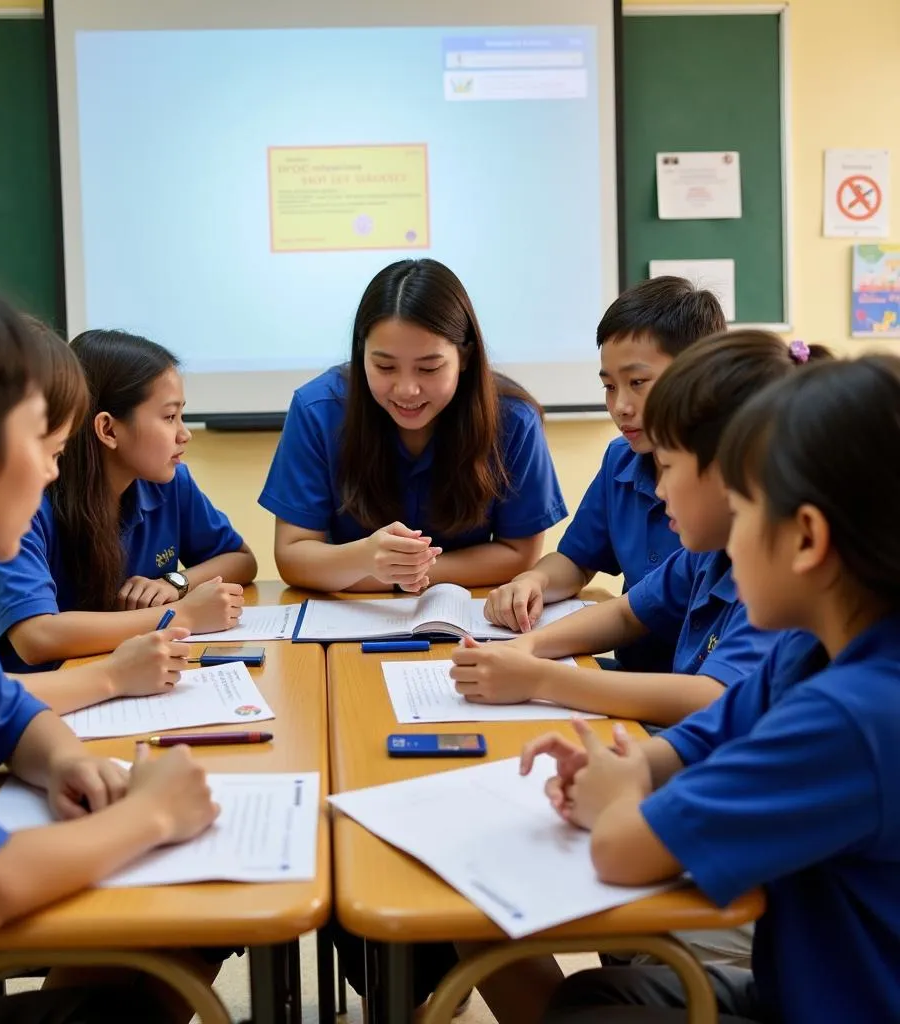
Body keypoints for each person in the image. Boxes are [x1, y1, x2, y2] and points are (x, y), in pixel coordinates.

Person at [0, 258, 220, 1023]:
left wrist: (67, 760)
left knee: (151, 966)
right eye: (48, 446)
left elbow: (4, 708)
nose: (55, 473)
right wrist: (154, 813)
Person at [528, 351, 900, 1024]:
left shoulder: (854, 716)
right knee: (596, 997)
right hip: (794, 985)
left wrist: (616, 794)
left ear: (807, 538)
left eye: (743, 511)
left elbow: (621, 850)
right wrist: (635, 762)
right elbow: (708, 734)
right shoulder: (810, 649)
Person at [259, 258, 566, 592]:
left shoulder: (514, 420)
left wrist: (402, 573)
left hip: (467, 619)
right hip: (349, 619)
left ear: (464, 356)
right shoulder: (317, 410)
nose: (407, 390)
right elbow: (293, 555)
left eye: (429, 368)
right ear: (362, 353)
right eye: (385, 367)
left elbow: (519, 554)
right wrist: (365, 558)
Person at [0, 329, 257, 673]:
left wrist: (175, 583)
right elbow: (36, 637)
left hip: (121, 681)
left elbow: (240, 559)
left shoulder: (168, 482)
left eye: (181, 415)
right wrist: (183, 614)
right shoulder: (18, 503)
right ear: (108, 430)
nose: (184, 433)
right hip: (34, 705)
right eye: (168, 417)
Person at [485, 276, 725, 673]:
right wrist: (534, 582)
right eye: (609, 387)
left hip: (688, 691)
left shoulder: (721, 497)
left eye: (637, 383)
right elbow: (577, 560)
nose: (621, 406)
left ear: (698, 376)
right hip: (634, 673)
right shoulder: (621, 459)